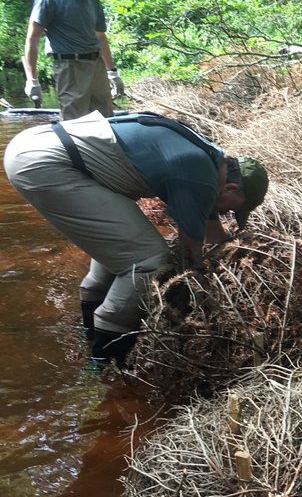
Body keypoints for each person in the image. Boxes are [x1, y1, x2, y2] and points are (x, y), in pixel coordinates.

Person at [3, 110, 269, 367]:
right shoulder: (200, 178)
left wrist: (237, 249)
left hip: (35, 145)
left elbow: (214, 236)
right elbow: (192, 251)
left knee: (126, 247)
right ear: (231, 187)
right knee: (149, 261)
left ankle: (89, 336)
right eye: (234, 208)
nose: (228, 213)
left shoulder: (205, 158)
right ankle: (103, 368)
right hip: (47, 163)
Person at [22, 0, 124, 119]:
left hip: (96, 65)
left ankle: (104, 146)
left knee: (106, 118)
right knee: (75, 122)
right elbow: (33, 38)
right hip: (69, 67)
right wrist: (32, 80)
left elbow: (100, 37)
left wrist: (112, 72)